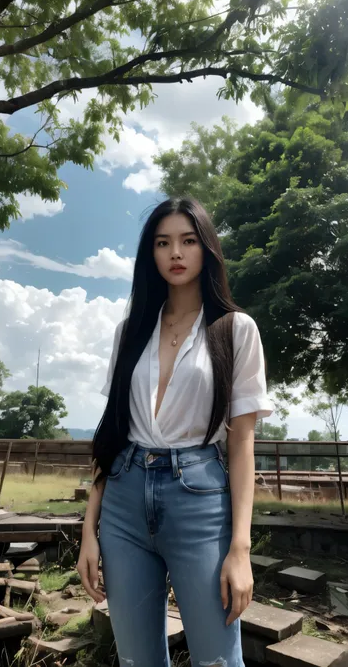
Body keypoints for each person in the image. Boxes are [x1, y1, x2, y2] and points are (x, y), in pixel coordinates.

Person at [77, 197, 272, 667]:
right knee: (136, 660)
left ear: (207, 249)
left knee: (217, 660)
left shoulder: (234, 330)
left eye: (188, 240)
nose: (176, 253)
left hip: (199, 498)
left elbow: (242, 443)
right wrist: (89, 528)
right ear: (151, 255)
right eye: (163, 243)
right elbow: (114, 433)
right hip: (123, 501)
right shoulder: (131, 331)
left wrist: (240, 549)